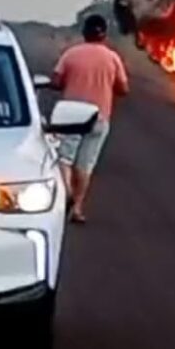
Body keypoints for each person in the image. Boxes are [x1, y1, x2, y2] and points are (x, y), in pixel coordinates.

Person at [51, 13, 129, 223]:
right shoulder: (112, 58)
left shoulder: (71, 54)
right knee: (86, 164)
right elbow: (123, 88)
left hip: (70, 115)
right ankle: (77, 207)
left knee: (65, 159)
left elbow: (56, 80)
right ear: (104, 34)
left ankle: (66, 193)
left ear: (84, 32)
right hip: (99, 116)